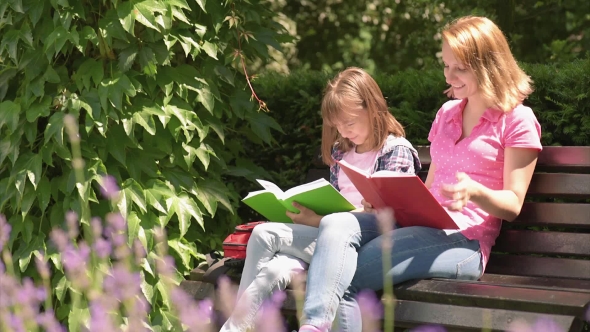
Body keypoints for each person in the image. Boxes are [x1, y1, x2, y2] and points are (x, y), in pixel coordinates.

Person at [297, 16, 543, 332]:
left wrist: (477, 192)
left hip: (464, 242)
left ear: (487, 65)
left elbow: (513, 204)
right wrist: (388, 201)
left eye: (460, 68)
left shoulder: (517, 121)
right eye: (446, 66)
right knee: (336, 222)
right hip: (420, 225)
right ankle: (314, 326)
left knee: (348, 274)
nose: (449, 76)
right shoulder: (447, 114)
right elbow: (428, 188)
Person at [219, 67, 422, 332]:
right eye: (337, 126)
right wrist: (311, 215)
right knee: (271, 264)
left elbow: (391, 222)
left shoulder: (394, 151)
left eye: (349, 123)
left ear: (373, 108)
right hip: (325, 238)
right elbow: (338, 206)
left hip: (362, 247)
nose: (344, 132)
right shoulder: (342, 151)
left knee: (267, 235)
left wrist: (317, 219)